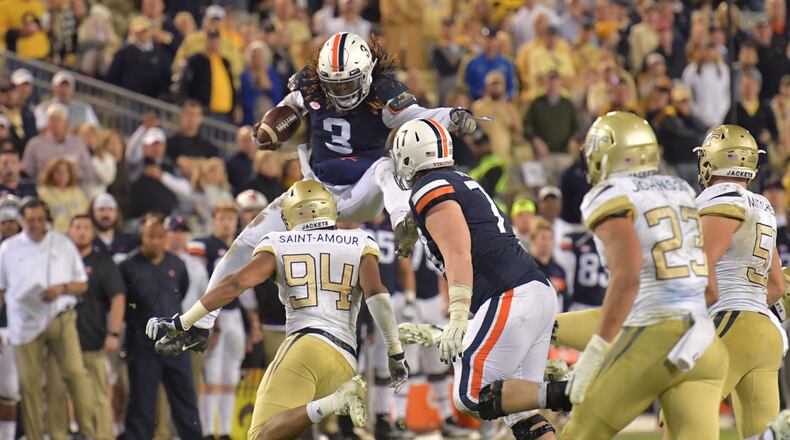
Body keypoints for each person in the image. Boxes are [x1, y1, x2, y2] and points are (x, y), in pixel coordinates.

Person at [155, 32, 476, 348]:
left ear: (365, 74)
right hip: (315, 193)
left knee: (386, 165)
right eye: (333, 85)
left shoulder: (385, 90)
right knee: (245, 242)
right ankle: (199, 324)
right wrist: (267, 131)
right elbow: (284, 112)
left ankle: (403, 218)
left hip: (364, 192)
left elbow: (415, 118)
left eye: (348, 84)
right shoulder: (310, 84)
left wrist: (450, 116)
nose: (341, 92)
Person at [146, 180, 409, 439]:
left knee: (261, 435)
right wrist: (396, 353)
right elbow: (377, 294)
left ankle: (335, 401)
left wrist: (185, 322)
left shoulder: (279, 241)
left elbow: (237, 283)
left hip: (306, 347)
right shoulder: (360, 240)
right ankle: (336, 399)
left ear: (292, 211)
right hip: (345, 361)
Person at [391, 119, 570, 439]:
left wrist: (458, 317)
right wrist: (414, 228)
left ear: (409, 157)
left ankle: (567, 392)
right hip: (533, 293)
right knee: (522, 413)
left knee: (472, 395)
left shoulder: (429, 188)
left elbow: (459, 251)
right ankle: (556, 392)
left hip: (508, 296)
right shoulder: (458, 181)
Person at [553, 112, 728, 438]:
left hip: (654, 338)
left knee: (579, 433)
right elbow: (710, 289)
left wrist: (595, 352)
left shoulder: (610, 195)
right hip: (704, 344)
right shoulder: (680, 188)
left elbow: (628, 275)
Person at [694, 124, 786, 438]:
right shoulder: (764, 206)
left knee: (682, 417)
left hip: (730, 320)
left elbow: (703, 274)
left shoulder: (718, 199)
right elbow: (778, 286)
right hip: (766, 333)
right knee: (762, 435)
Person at [0, 198, 96, 439]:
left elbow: (82, 284)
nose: (35, 224)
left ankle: (87, 433)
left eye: (40, 219)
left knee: (74, 374)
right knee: (29, 386)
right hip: (23, 322)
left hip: (59, 318)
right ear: (23, 221)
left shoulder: (62, 244)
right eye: (30, 220)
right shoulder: (8, 249)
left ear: (47, 220)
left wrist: (61, 288)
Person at [120, 215, 202, 439]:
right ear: (141, 237)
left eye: (160, 236)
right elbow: (123, 304)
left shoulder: (178, 264)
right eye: (150, 236)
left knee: (185, 400)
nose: (155, 241)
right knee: (142, 403)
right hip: (142, 345)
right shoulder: (128, 266)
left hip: (175, 343)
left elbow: (182, 293)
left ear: (166, 237)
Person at [67, 214, 126, 440]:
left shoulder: (103, 262)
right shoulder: (60, 259)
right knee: (64, 393)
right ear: (69, 230)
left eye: (86, 227)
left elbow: (118, 298)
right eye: (77, 226)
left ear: (92, 233)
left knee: (99, 393)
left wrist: (113, 333)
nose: (81, 231)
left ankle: (103, 436)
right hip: (62, 342)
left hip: (92, 339)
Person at [23, 103, 95, 183]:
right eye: (52, 120)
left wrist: (73, 174)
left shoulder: (78, 143)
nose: (55, 124)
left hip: (73, 189)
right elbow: (27, 171)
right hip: (44, 189)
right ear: (48, 122)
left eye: (58, 119)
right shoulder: (34, 144)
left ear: (66, 122)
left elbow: (89, 172)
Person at [105, 15, 172, 99]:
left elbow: (166, 79)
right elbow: (113, 76)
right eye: (139, 31)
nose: (142, 34)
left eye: (145, 31)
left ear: (151, 31)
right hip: (126, 100)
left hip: (152, 102)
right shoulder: (123, 53)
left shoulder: (160, 54)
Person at [130, 128, 192, 218]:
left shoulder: (170, 166)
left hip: (167, 218)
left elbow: (186, 190)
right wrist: (142, 128)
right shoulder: (136, 164)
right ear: (144, 146)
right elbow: (130, 153)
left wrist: (162, 176)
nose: (157, 148)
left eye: (160, 145)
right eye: (153, 145)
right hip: (140, 218)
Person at [180, 29, 237, 122]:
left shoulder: (225, 62)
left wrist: (236, 106)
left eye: (216, 40)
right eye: (211, 39)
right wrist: (186, 103)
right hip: (205, 113)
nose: (214, 43)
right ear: (206, 41)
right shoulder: (196, 60)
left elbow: (232, 86)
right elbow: (184, 82)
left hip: (226, 115)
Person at [523, 71, 579, 160]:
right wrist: (535, 140)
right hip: (542, 154)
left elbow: (576, 128)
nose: (553, 85)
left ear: (560, 83)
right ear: (545, 83)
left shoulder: (567, 104)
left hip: (564, 153)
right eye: (550, 81)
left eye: (556, 82)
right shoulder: (536, 103)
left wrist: (573, 139)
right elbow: (526, 126)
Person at [558, 229, 607, 312]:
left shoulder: (613, 242)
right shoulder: (580, 239)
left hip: (602, 304)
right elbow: (563, 246)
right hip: (579, 302)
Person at [37, 158, 89, 233]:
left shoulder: (78, 192)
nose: (62, 175)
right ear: (51, 173)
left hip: (78, 234)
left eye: (66, 171)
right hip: (56, 233)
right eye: (58, 172)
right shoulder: (43, 193)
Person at [463, 27, 516, 101]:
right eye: (486, 39)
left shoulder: (506, 63)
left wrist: (506, 96)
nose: (489, 42)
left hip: (501, 104)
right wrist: (479, 93)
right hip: (478, 104)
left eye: (492, 39)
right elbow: (467, 86)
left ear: (497, 41)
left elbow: (512, 87)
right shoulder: (473, 63)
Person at [34, 71, 99, 130]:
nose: (64, 90)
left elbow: (94, 129)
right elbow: (41, 129)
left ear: (72, 89)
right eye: (61, 86)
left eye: (67, 86)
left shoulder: (85, 108)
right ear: (53, 88)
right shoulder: (42, 108)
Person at [529, 217, 569, 312]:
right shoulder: (526, 268)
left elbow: (566, 301)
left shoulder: (559, 270)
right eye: (543, 238)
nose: (546, 242)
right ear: (533, 239)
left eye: (549, 238)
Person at [90, 193, 138, 262]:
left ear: (116, 213)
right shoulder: (88, 242)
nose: (106, 214)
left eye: (110, 209)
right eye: (101, 209)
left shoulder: (130, 241)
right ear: (93, 213)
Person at [226, 126, 257, 193]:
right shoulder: (231, 163)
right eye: (245, 140)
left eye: (250, 139)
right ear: (238, 141)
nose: (248, 143)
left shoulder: (261, 161)